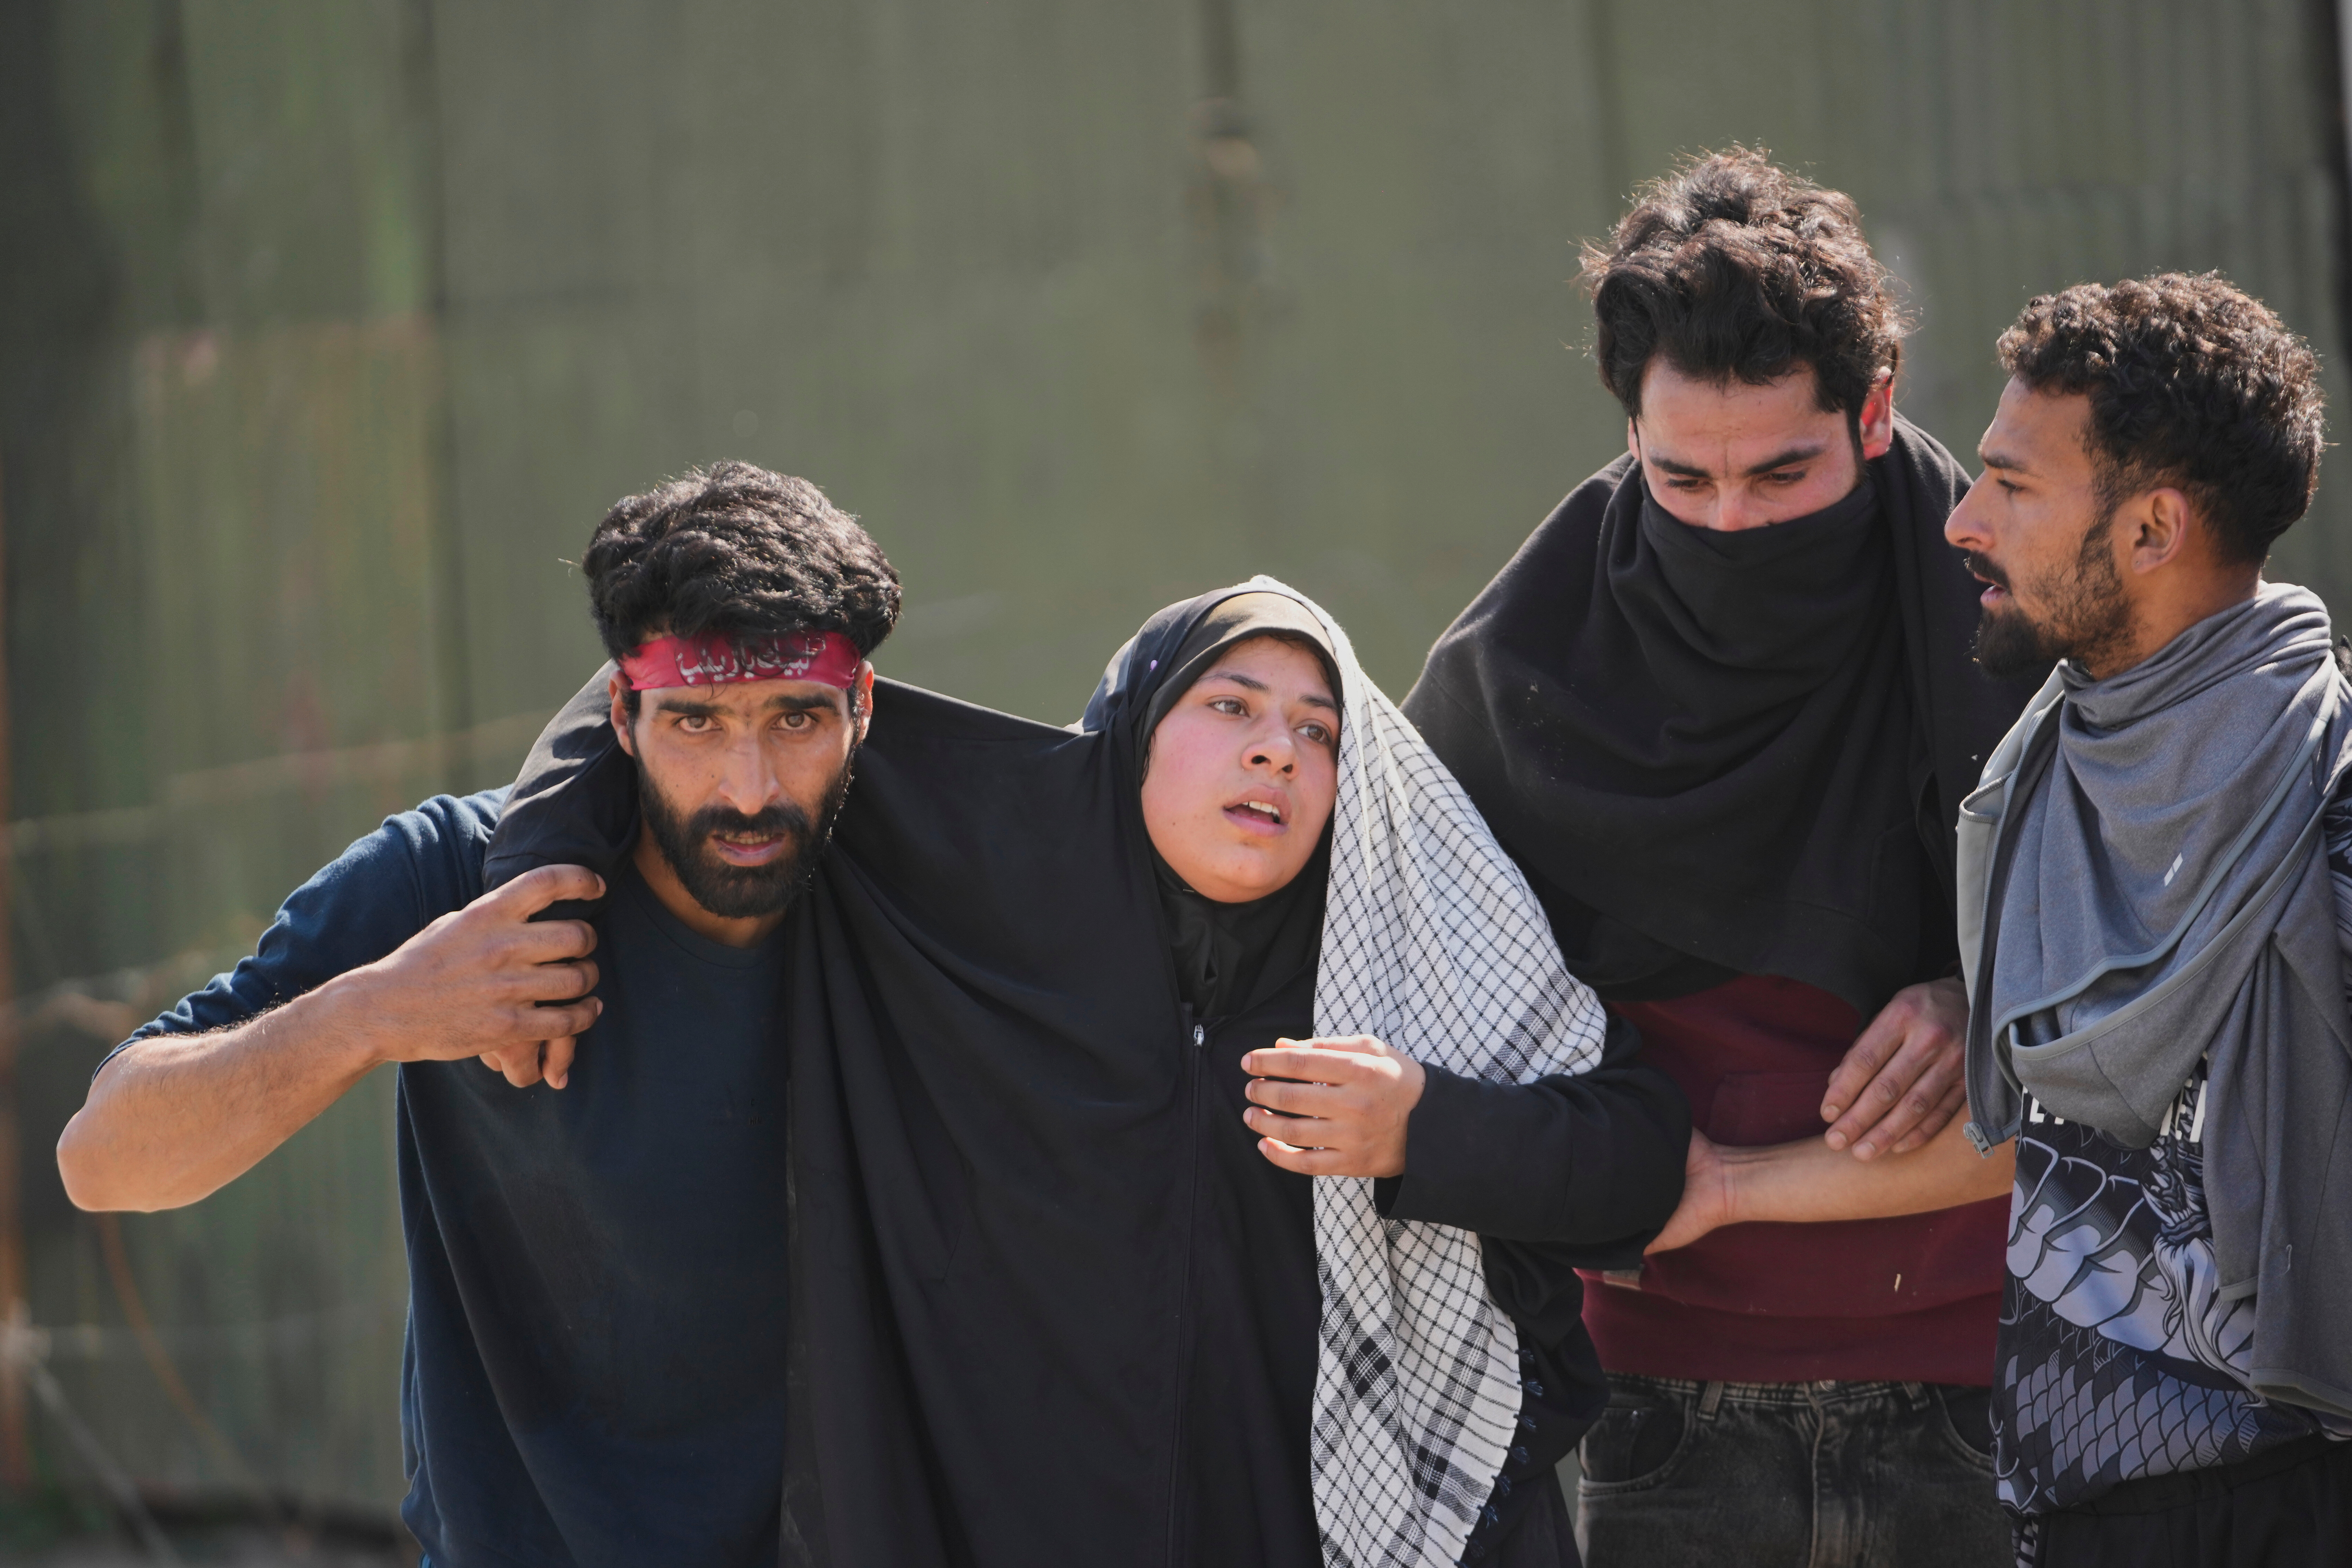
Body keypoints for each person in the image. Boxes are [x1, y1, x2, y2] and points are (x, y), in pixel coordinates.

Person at [491, 578, 1690, 1566]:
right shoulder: (977, 879)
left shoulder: (1409, 951)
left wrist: (1425, 1131)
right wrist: (534, 873)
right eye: (1232, 705)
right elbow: (681, 683)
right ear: (1135, 726)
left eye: (1318, 731)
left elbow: (1636, 1156)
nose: (1277, 750)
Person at [55, 463, 900, 1565]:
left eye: (796, 718)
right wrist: (380, 1011)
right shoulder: (455, 879)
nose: (748, 785)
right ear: (622, 712)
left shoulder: (919, 908)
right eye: (695, 720)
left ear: (863, 708)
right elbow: (104, 1159)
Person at [1401, 149, 2042, 1565]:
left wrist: (1969, 979)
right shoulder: (1518, 668)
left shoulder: (2005, 626)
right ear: (1628, 429)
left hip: (1993, 1385)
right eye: (1680, 474)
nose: (1730, 520)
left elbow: (2130, 1023)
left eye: (1782, 471)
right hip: (1655, 1402)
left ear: (1873, 416)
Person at [1946, 273, 2352, 1566]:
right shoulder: (2040, 781)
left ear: (2152, 528)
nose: (1964, 519)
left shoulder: (2330, 808)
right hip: (2073, 1501)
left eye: (2013, 486)